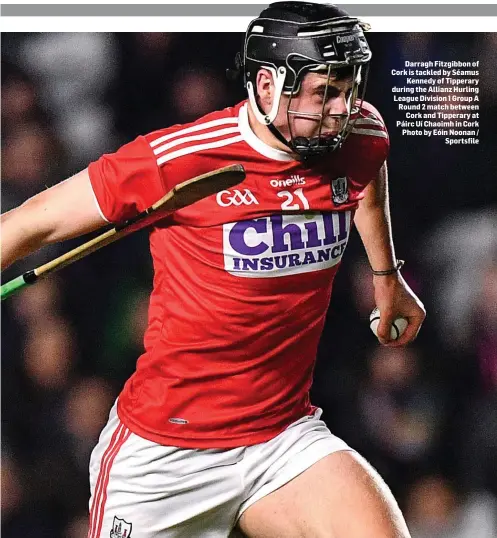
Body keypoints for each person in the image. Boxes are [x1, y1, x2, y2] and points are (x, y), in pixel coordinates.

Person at [1, 3, 426, 537]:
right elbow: (22, 227)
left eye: (349, 90)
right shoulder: (181, 158)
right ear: (269, 85)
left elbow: (365, 178)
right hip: (162, 459)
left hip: (280, 437)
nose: (344, 110)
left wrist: (388, 279)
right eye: (326, 93)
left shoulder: (357, 134)